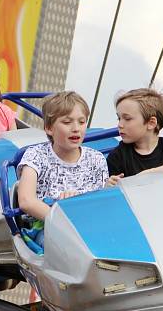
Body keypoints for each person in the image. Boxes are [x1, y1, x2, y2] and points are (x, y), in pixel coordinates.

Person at [17, 92, 108, 249]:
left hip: (88, 227)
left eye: (81, 122)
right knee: (68, 248)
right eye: (67, 122)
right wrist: (64, 220)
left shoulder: (96, 159)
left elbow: (100, 204)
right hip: (47, 226)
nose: (76, 129)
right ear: (49, 128)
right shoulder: (36, 155)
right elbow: (26, 201)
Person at [106, 88, 163, 186]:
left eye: (127, 119)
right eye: (119, 118)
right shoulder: (117, 156)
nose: (120, 125)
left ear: (151, 123)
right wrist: (109, 186)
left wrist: (148, 174)